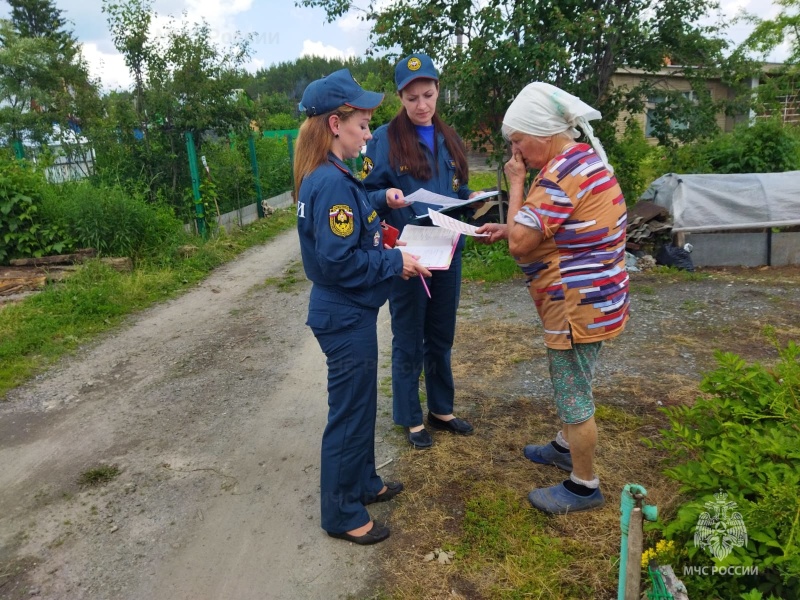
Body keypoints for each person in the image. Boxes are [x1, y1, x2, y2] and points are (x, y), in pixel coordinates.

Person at [476, 82, 629, 514]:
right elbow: (557, 227)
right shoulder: (581, 161)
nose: (516, 152)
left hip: (576, 307)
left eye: (518, 141)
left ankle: (584, 484)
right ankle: (565, 447)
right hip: (595, 299)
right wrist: (511, 226)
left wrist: (517, 183)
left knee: (572, 391)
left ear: (543, 134)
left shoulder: (560, 174)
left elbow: (521, 243)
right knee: (575, 381)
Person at [295, 69, 431, 544]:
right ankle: (342, 513)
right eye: (363, 125)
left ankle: (365, 482)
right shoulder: (330, 183)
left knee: (360, 406)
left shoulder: (336, 177)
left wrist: (378, 195)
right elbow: (339, 262)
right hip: (344, 313)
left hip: (350, 312)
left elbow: (352, 214)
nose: (369, 134)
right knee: (349, 415)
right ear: (336, 124)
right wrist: (394, 261)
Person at [362, 53, 483, 449]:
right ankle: (411, 419)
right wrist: (386, 195)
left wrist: (472, 198)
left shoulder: (450, 138)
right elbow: (363, 193)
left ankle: (441, 409)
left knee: (440, 333)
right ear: (400, 96)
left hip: (448, 248)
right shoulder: (382, 139)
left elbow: (458, 189)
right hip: (410, 254)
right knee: (408, 335)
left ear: (437, 91)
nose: (422, 105)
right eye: (412, 98)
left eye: (428, 95)